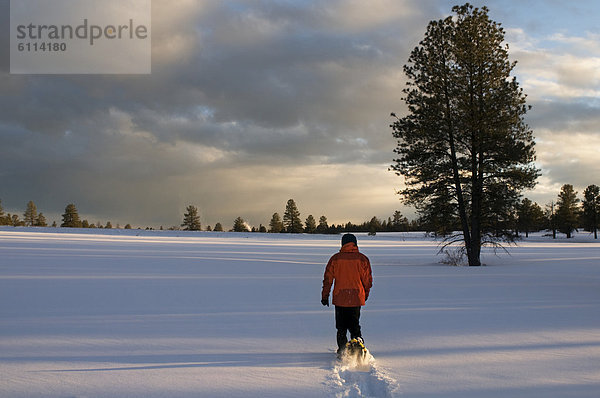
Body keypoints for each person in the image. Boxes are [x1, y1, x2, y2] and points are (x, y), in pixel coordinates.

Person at [321, 233, 373, 354]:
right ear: (355, 243)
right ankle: (358, 344)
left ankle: (343, 350)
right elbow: (368, 280)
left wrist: (325, 295)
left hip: (340, 298)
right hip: (356, 297)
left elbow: (328, 279)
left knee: (341, 327)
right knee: (355, 324)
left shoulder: (335, 259)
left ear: (343, 244)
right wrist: (365, 294)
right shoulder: (362, 259)